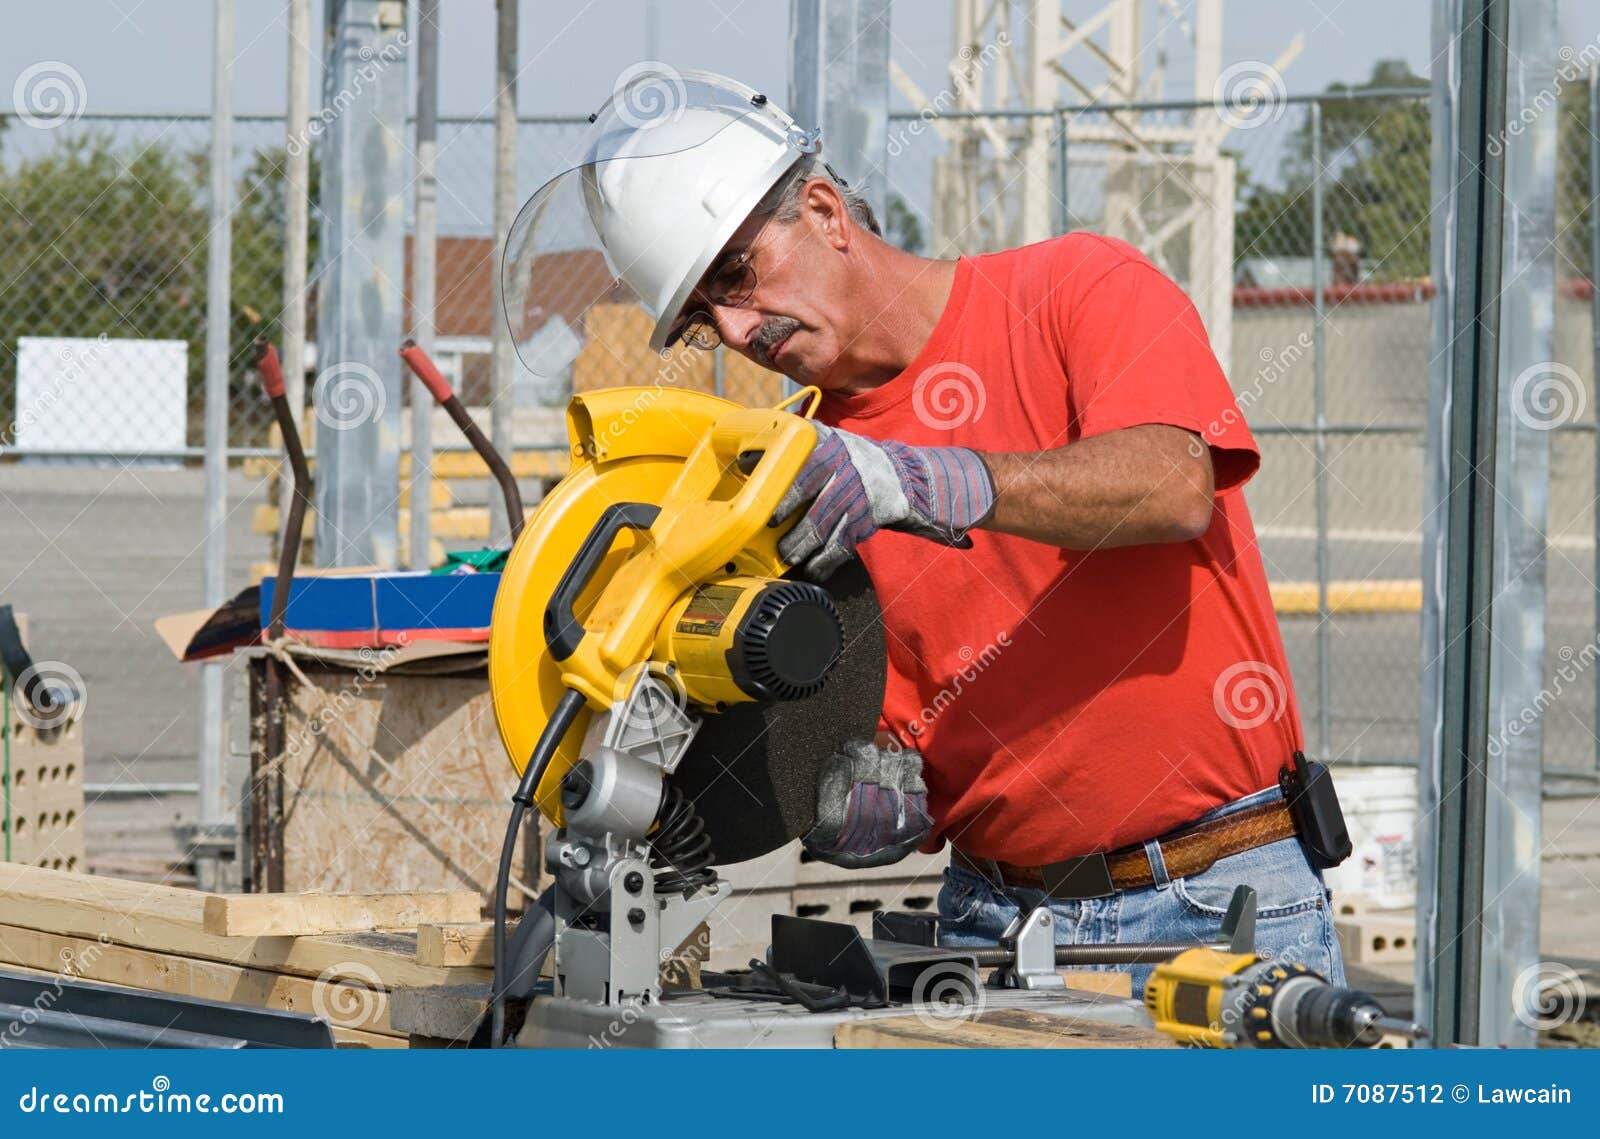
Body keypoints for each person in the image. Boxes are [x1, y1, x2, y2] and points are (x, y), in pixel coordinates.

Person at [506, 69, 1343, 992]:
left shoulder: (1077, 288)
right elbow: (886, 733)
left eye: (736, 275)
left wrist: (936, 480)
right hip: (993, 923)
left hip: (1212, 895)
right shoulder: (796, 482)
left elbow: (1174, 485)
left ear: (823, 211)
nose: (739, 329)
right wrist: (850, 804)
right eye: (704, 317)